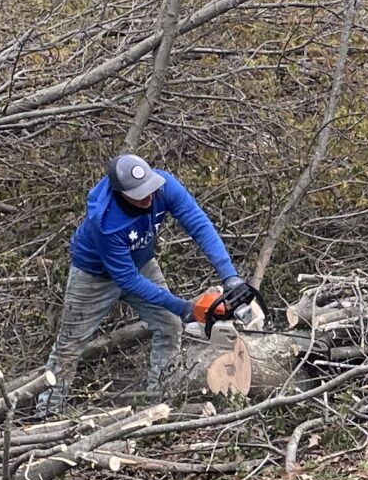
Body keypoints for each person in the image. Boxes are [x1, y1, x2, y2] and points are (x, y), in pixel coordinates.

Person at [38, 152, 254, 415]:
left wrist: (229, 275)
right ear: (121, 193)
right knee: (70, 345)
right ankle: (48, 412)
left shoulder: (164, 185)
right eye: (139, 194)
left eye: (149, 189)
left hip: (141, 263)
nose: (148, 197)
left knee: (169, 326)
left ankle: (159, 403)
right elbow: (127, 280)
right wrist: (182, 306)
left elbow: (199, 224)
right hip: (93, 276)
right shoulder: (106, 221)